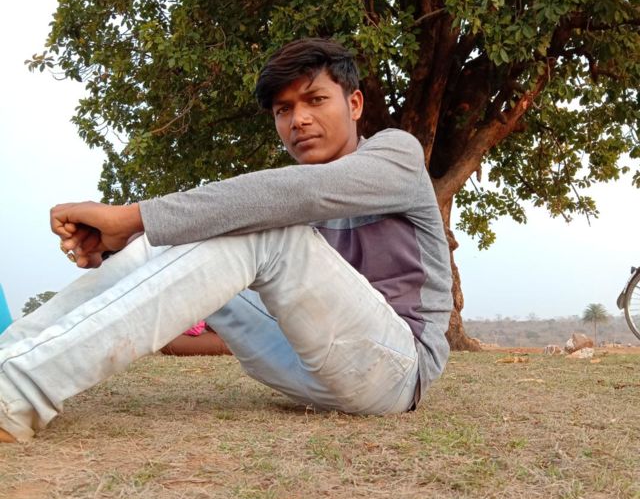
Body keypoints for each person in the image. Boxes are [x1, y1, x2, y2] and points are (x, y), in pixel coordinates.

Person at [0, 38, 452, 444]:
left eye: (315, 100)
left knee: (263, 225)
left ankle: (18, 392)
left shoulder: (397, 155)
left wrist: (131, 216)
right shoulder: (292, 191)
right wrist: (123, 239)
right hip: (303, 361)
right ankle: (9, 355)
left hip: (394, 371)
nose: (299, 120)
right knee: (193, 232)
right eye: (283, 110)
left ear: (354, 104)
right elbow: (263, 204)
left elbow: (300, 193)